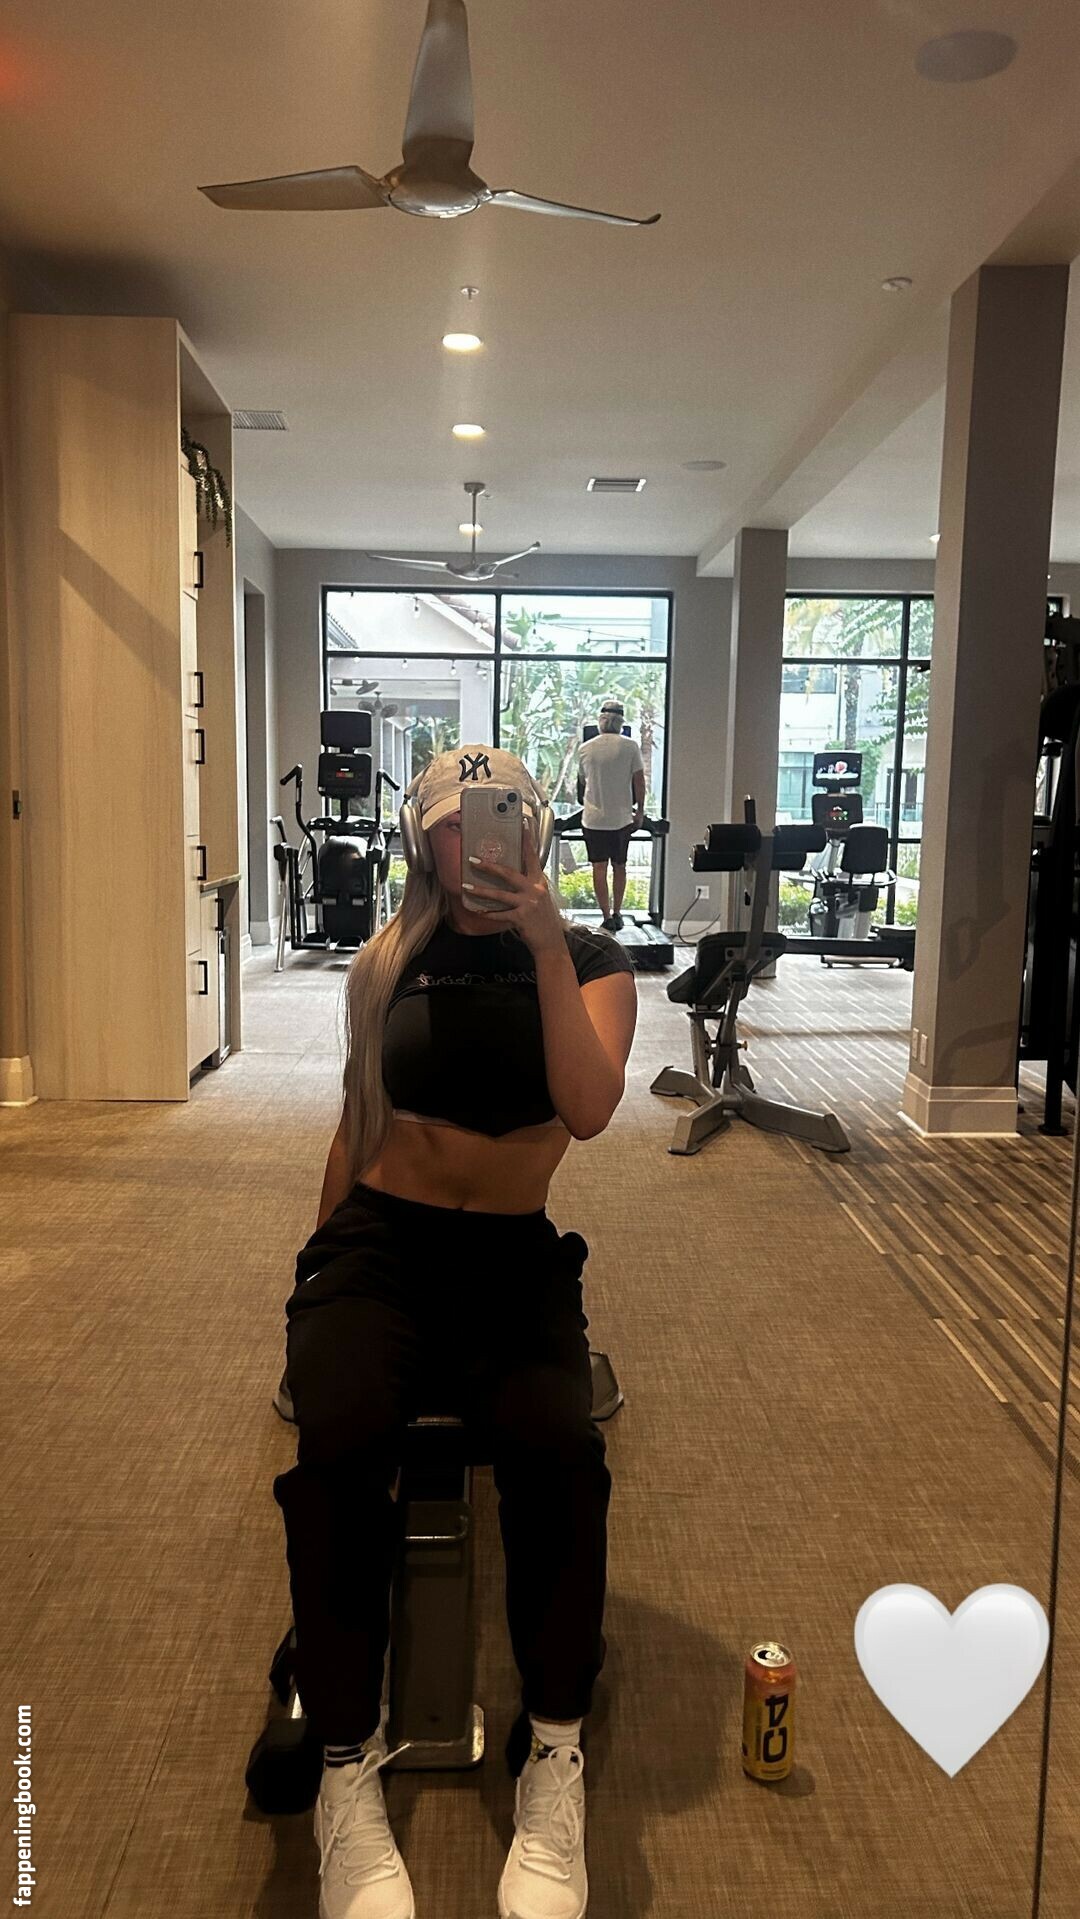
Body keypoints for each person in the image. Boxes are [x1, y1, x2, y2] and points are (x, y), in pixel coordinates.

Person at [272, 744, 638, 1919]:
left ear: (537, 829)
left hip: (512, 1259)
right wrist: (319, 1275)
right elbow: (357, 1119)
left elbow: (588, 1106)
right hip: (382, 1246)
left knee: (557, 1445)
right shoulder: (387, 958)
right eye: (459, 820)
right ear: (424, 841)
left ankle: (555, 1747)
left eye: (508, 815)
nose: (484, 836)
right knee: (340, 1430)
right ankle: (344, 1762)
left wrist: (543, 942)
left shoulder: (593, 962)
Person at [576, 701, 646, 932]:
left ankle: (606, 916)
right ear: (621, 722)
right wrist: (640, 811)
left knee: (599, 868)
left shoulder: (585, 748)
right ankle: (617, 913)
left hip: (593, 819)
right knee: (619, 866)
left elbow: (583, 781)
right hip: (621, 819)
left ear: (600, 721)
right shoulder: (630, 746)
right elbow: (639, 782)